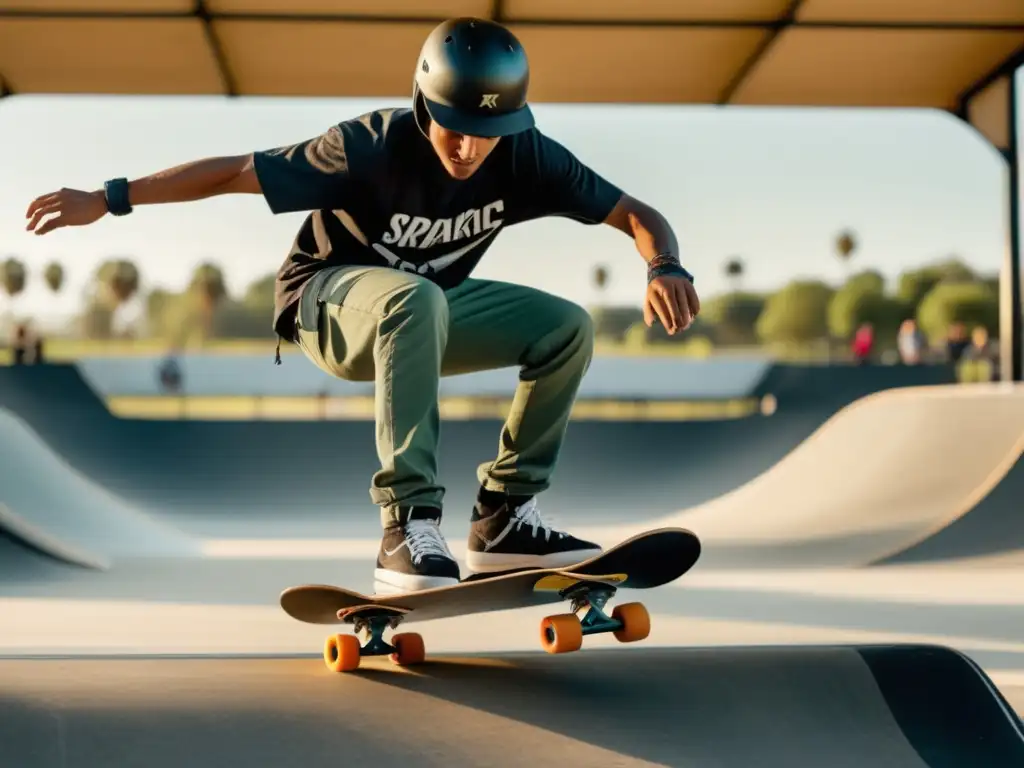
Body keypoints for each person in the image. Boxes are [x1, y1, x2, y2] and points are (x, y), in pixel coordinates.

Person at [22, 18, 701, 593]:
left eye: (485, 133)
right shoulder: (368, 145)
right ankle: (406, 523)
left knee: (566, 328)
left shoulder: (529, 158)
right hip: (326, 303)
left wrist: (663, 264)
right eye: (453, 128)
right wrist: (108, 198)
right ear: (424, 105)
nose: (468, 148)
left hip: (428, 309)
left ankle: (504, 519)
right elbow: (233, 172)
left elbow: (637, 214)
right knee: (415, 298)